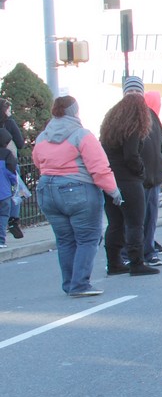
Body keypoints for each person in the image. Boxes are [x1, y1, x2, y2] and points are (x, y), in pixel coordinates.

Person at [31, 97, 123, 296]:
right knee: (88, 238)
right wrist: (113, 191)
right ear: (74, 112)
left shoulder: (42, 137)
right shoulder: (82, 135)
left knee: (65, 240)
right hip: (78, 189)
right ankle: (80, 284)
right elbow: (99, 168)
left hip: (47, 189)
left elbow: (38, 162)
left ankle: (69, 283)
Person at [99, 82, 158, 276]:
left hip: (110, 178)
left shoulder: (112, 126)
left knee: (115, 223)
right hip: (129, 180)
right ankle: (136, 262)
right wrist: (140, 171)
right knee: (135, 222)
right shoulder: (133, 127)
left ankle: (114, 262)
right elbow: (131, 155)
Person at [138, 89, 162, 267]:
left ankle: (148, 248)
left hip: (153, 174)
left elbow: (161, 144)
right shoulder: (137, 118)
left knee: (150, 215)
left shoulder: (154, 119)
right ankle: (140, 250)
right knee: (141, 216)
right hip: (142, 176)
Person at [1, 98, 26, 239]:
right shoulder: (8, 123)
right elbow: (20, 143)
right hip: (8, 161)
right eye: (8, 110)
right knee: (15, 190)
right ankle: (13, 220)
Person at [0, 129, 18, 250]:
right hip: (3, 191)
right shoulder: (7, 154)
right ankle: (1, 240)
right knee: (3, 215)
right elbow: (12, 173)